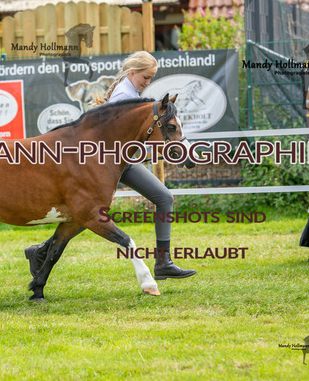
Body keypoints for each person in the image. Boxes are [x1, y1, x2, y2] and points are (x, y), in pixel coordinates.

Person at [25, 51, 196, 280]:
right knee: (157, 199)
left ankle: (40, 251)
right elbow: (115, 137)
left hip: (119, 161)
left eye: (151, 78)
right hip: (112, 164)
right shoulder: (124, 95)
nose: (148, 82)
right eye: (146, 77)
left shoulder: (129, 92)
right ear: (133, 72)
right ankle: (163, 262)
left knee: (91, 212)